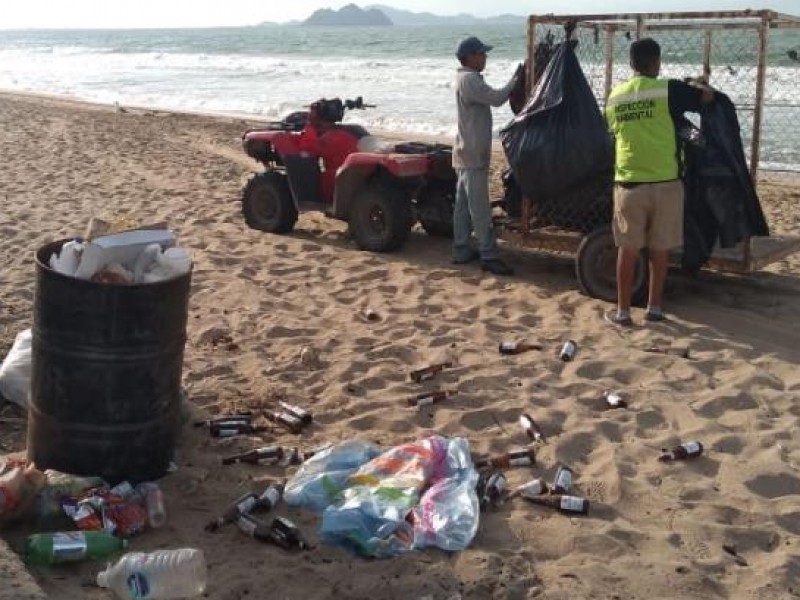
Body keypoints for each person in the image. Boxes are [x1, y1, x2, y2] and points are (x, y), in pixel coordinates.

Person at [604, 38, 713, 326]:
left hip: (629, 182)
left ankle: (623, 312)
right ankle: (654, 308)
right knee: (659, 247)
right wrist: (697, 81)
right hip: (665, 182)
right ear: (656, 62)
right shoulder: (668, 90)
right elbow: (706, 98)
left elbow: (613, 130)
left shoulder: (616, 96)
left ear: (631, 64)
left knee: (627, 249)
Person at [453, 36, 521, 276]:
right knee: (479, 207)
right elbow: (497, 98)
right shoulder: (470, 80)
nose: (485, 58)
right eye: (481, 54)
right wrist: (516, 80)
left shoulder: (464, 78)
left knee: (462, 206)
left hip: (464, 151)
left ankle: (461, 249)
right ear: (470, 57)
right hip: (472, 154)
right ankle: (489, 255)